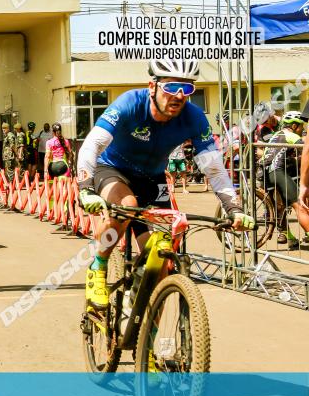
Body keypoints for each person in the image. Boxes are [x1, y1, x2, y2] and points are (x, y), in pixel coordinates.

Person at [77, 59, 254, 311]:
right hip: (113, 170)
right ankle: (99, 265)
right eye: (171, 87)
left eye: (187, 89)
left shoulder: (193, 118)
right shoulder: (130, 104)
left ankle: (149, 338)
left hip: (153, 178)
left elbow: (214, 168)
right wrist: (85, 187)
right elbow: (91, 144)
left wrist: (233, 208)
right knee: (127, 205)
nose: (179, 96)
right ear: (153, 86)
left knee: (159, 258)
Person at [259, 111, 309, 249]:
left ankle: (290, 238)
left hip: (263, 173)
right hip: (276, 171)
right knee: (299, 205)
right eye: (301, 127)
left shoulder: (275, 135)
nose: (302, 130)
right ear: (294, 126)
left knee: (278, 208)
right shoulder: (291, 135)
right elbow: (306, 150)